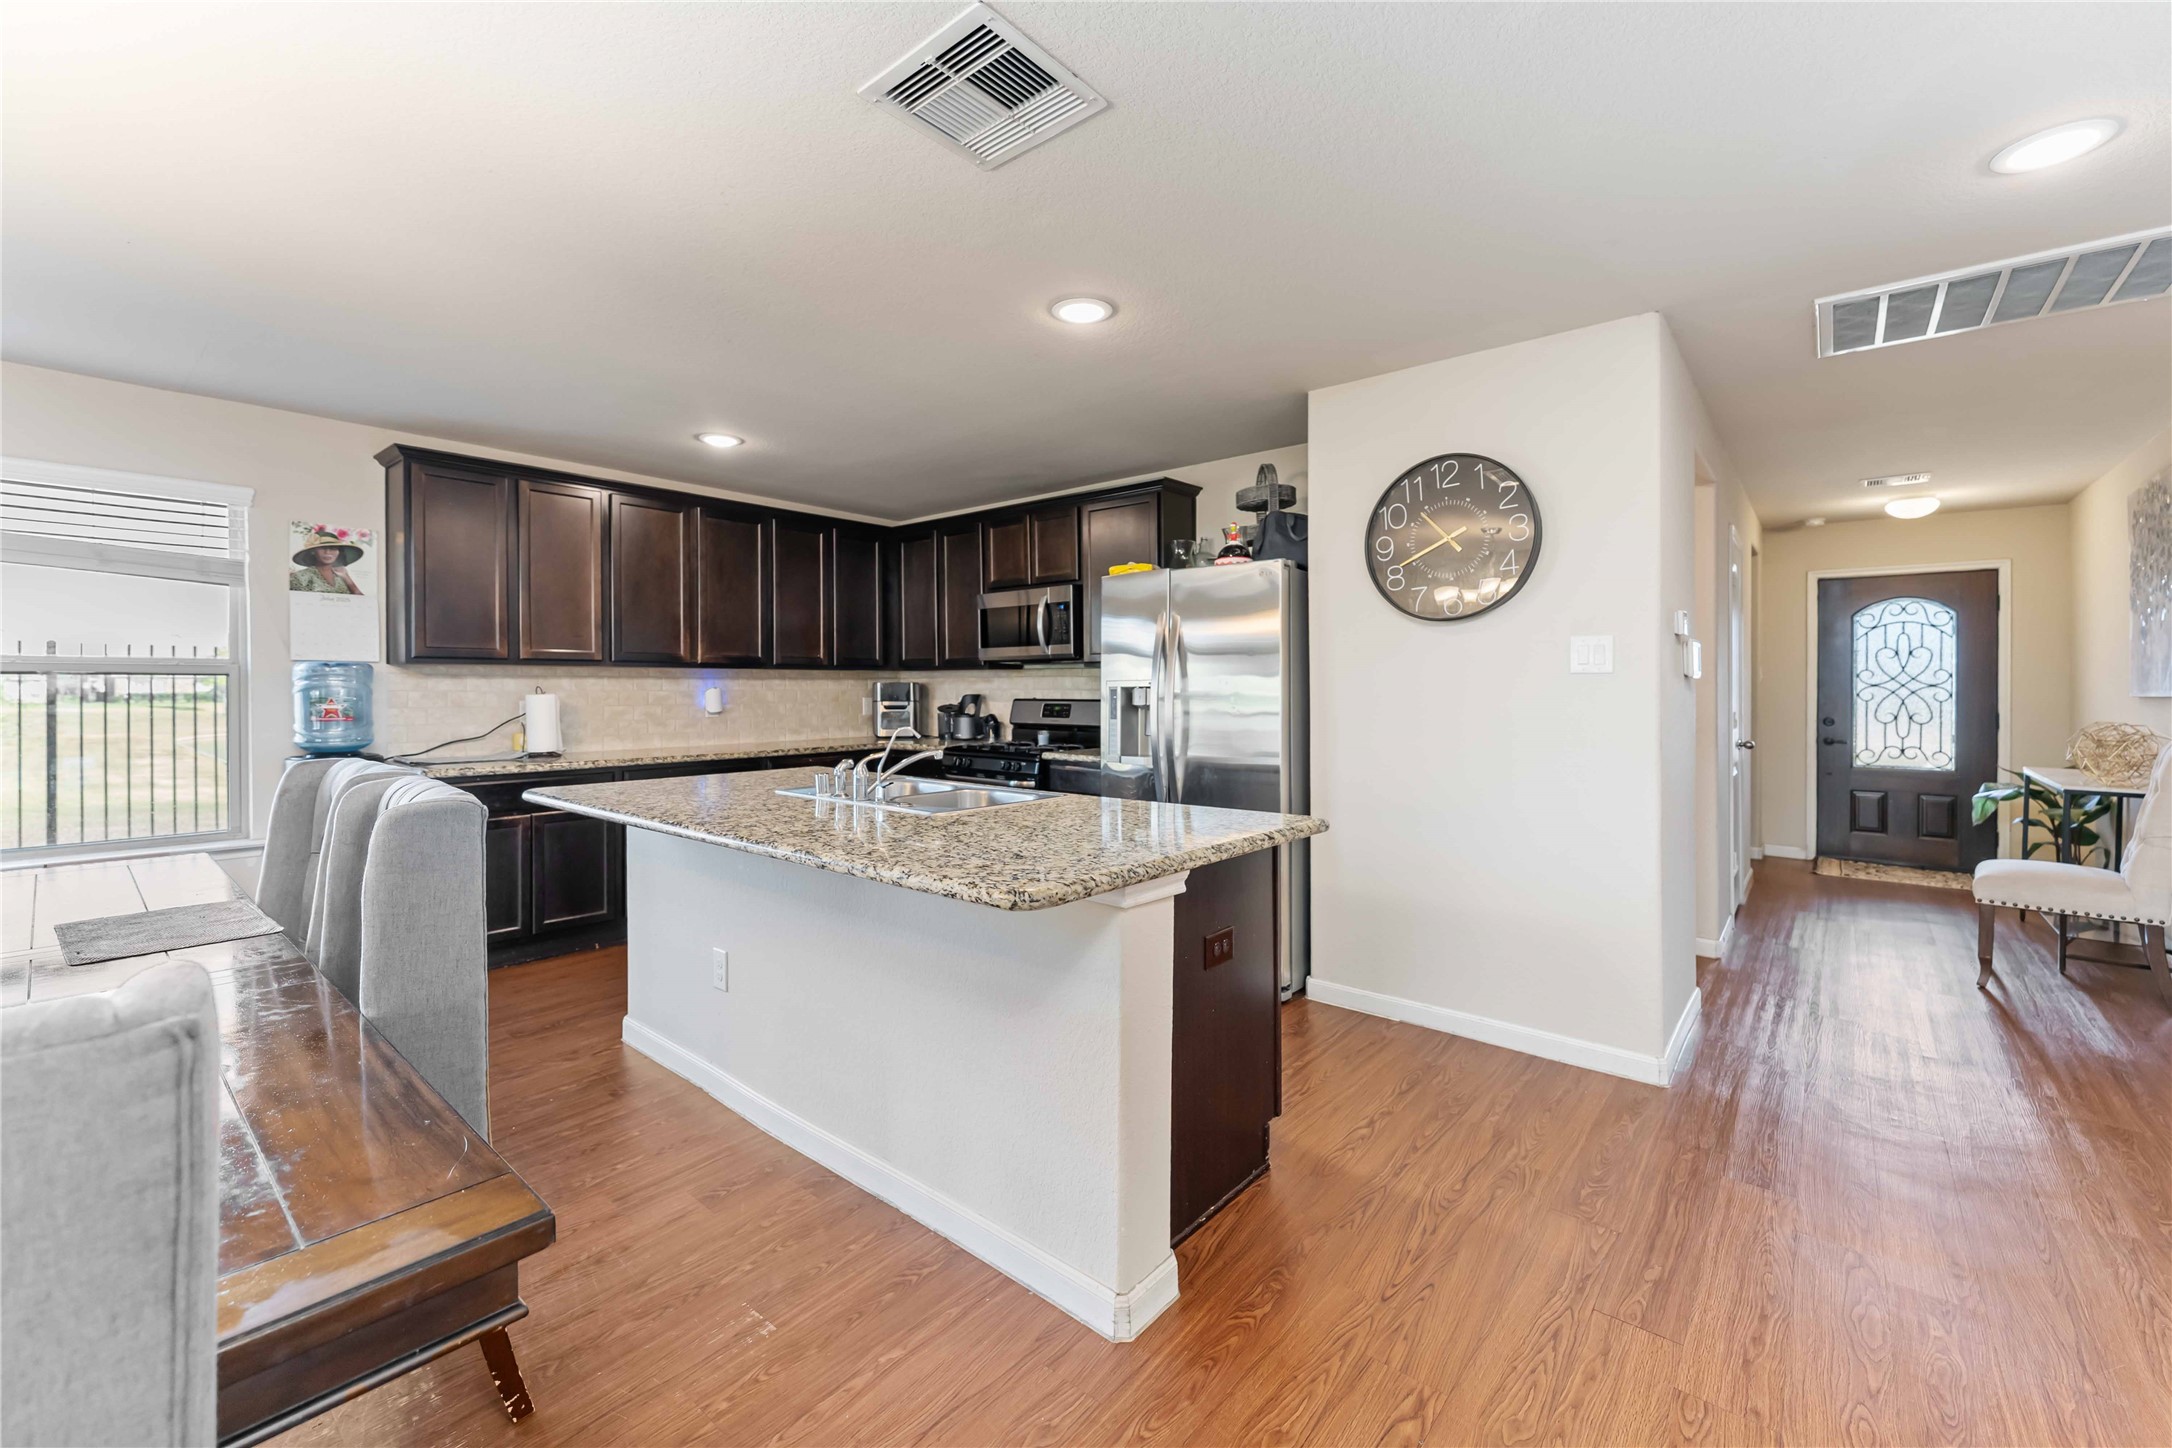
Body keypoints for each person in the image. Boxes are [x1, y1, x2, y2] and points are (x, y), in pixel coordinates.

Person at [289, 528, 364, 595]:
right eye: (322, 548)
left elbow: (361, 601)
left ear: (339, 552)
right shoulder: (300, 576)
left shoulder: (341, 576)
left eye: (333, 548)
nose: (327, 552)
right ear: (313, 551)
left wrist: (346, 577)